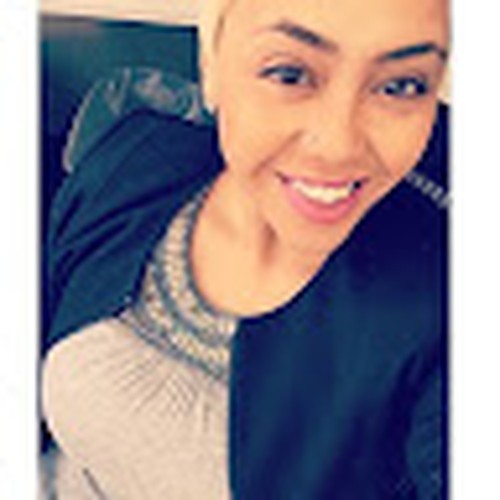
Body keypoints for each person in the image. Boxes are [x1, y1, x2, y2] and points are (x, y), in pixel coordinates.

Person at [41, 0, 449, 498]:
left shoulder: (445, 305)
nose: (338, 146)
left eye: (401, 85)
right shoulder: (134, 159)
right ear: (211, 64)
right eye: (289, 74)